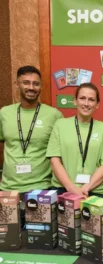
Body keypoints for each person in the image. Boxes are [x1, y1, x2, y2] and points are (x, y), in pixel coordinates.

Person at [0, 66, 63, 222]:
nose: (31, 87)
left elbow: (60, 153)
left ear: (41, 86)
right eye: (26, 83)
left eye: (36, 84)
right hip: (8, 189)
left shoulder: (54, 115)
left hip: (41, 188)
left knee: (39, 240)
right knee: (9, 241)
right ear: (17, 84)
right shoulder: (4, 113)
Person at [47, 82, 103, 198]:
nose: (86, 103)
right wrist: (72, 188)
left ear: (97, 104)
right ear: (75, 101)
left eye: (91, 100)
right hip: (64, 189)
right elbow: (54, 161)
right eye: (82, 98)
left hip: (95, 191)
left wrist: (86, 188)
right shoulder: (60, 125)